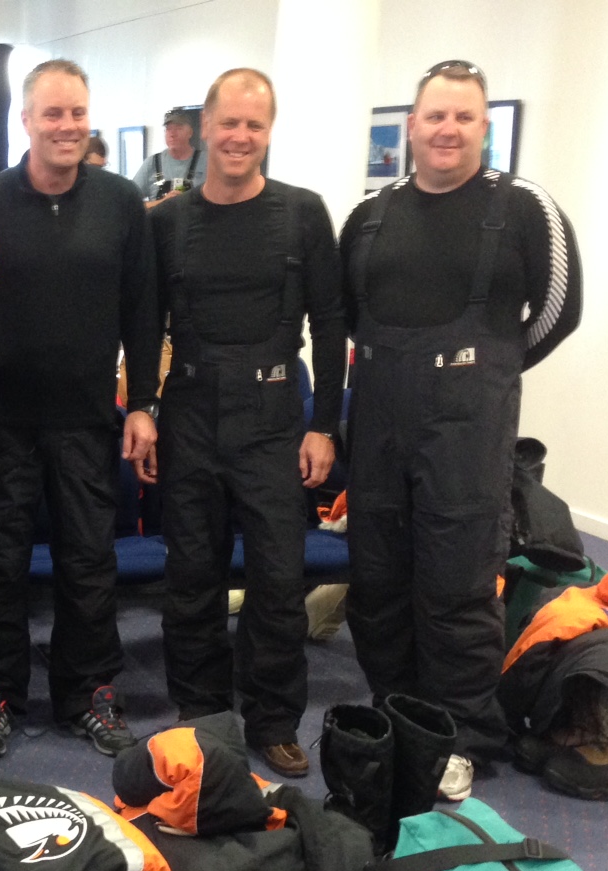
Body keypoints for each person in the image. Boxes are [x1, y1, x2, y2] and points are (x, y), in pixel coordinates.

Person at [339, 59, 582, 799]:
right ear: (411, 125)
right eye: (435, 116)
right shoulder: (369, 215)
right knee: (377, 583)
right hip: (377, 421)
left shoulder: (525, 208)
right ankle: (399, 712)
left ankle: (461, 738)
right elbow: (350, 318)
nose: (448, 130)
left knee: (456, 589)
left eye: (464, 117)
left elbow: (558, 312)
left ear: (484, 127)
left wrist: (491, 368)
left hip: (467, 433)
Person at [0, 59, 159, 758]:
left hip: (86, 419)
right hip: (2, 423)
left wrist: (144, 404)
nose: (67, 126)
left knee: (87, 562)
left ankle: (87, 691)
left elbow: (142, 307)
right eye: (53, 114)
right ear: (26, 120)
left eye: (77, 113)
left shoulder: (120, 203)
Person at [150, 68, 345, 779]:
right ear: (205, 127)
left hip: (273, 416)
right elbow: (144, 325)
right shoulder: (167, 221)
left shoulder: (302, 214)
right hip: (191, 411)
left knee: (276, 576)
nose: (240, 137)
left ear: (268, 132)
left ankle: (272, 719)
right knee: (191, 573)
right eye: (228, 123)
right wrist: (142, 406)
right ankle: (199, 713)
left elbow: (330, 323)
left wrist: (324, 424)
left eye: (253, 126)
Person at [131, 108, 203, 205]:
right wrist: (162, 202)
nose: (172, 134)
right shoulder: (152, 163)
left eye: (178, 128)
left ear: (190, 132)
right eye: (168, 129)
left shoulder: (207, 161)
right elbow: (130, 204)